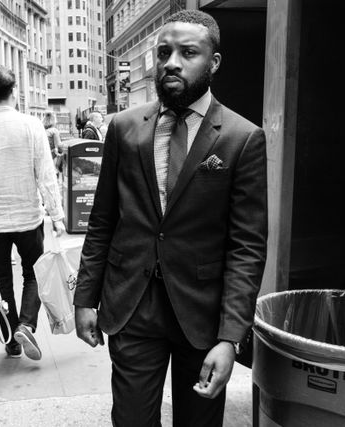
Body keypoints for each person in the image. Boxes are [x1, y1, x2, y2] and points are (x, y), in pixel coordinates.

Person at [73, 9, 268, 426]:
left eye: (187, 52)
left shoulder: (241, 138)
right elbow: (103, 219)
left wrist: (231, 338)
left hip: (202, 315)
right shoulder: (124, 128)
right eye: (164, 52)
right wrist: (85, 298)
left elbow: (247, 245)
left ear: (213, 62)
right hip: (132, 306)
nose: (172, 62)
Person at [0, 65, 66, 361]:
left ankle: (11, 340)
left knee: (2, 279)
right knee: (34, 273)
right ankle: (26, 324)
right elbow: (45, 174)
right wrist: (56, 216)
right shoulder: (31, 125)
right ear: (13, 92)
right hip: (27, 218)